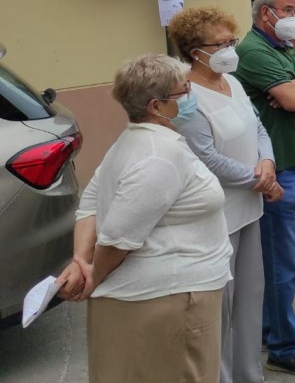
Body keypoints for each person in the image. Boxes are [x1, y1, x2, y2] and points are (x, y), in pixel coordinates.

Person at [57, 54, 233, 383]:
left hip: (161, 297)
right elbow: (118, 238)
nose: (191, 96)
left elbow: (91, 201)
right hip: (169, 300)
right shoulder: (160, 156)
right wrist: (92, 274)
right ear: (156, 106)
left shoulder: (135, 139)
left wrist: (81, 259)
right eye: (184, 92)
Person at [170, 8, 280, 383]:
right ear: (193, 50)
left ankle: (251, 373)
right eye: (220, 44)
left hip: (250, 206)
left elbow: (259, 128)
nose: (228, 50)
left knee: (250, 299)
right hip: (217, 213)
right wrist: (259, 179)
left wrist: (266, 163)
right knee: (219, 306)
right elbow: (205, 156)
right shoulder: (186, 95)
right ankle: (219, 376)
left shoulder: (231, 82)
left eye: (230, 42)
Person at [234, 0, 295, 376]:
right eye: (290, 9)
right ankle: (283, 347)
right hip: (279, 169)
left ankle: (274, 326)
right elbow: (292, 101)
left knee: (280, 259)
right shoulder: (254, 51)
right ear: (265, 14)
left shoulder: (284, 46)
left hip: (294, 165)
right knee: (280, 263)